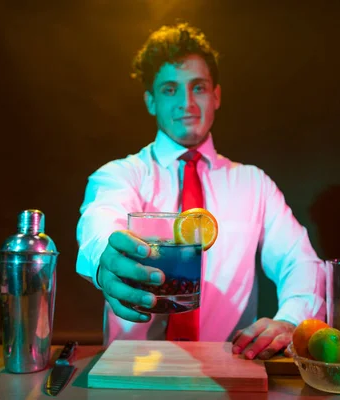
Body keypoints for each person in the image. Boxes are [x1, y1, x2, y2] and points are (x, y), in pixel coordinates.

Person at [76, 22, 325, 360]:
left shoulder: (255, 185)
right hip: (131, 373)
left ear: (216, 96)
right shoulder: (121, 175)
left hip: (227, 374)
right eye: (169, 90)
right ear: (150, 101)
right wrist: (105, 259)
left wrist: (291, 320)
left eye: (198, 88)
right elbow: (99, 225)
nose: (186, 103)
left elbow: (301, 261)